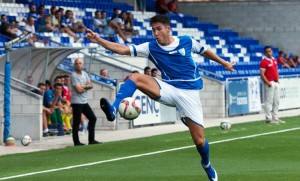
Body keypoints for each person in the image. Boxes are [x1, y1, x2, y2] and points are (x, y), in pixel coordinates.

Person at [86, 14, 235, 181]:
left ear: (168, 28)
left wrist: (224, 63)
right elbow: (123, 49)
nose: (155, 33)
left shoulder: (186, 41)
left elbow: (204, 51)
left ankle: (206, 164)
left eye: (159, 29)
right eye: (153, 30)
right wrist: (99, 40)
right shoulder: (151, 47)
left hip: (189, 93)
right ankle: (113, 109)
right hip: (168, 88)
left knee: (200, 141)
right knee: (134, 77)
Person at [70, 58, 102, 146]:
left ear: (82, 64)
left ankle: (91, 140)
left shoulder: (85, 74)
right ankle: (76, 142)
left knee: (93, 118)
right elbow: (78, 90)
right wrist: (86, 86)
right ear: (74, 65)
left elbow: (91, 85)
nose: (78, 65)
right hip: (76, 102)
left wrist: (83, 86)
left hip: (84, 101)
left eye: (80, 63)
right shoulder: (73, 75)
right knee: (76, 122)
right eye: (76, 63)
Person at [260, 46, 285, 124]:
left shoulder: (274, 60)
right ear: (265, 53)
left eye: (270, 51)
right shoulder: (263, 62)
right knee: (269, 101)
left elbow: (276, 70)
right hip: (270, 83)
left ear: (272, 52)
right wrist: (267, 82)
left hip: (275, 82)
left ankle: (275, 118)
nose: (268, 53)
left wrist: (277, 79)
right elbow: (262, 74)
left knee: (276, 101)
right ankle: (268, 118)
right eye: (267, 51)